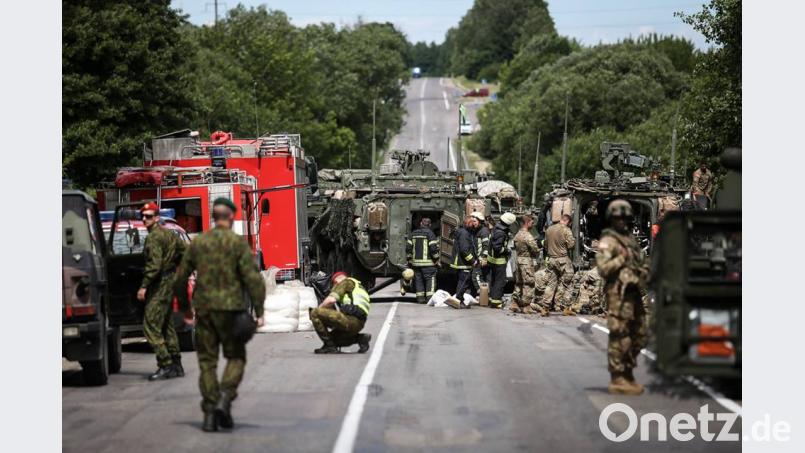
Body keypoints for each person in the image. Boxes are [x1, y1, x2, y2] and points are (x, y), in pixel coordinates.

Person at [173, 197, 266, 432]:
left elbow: (180, 278)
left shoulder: (199, 243)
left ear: (214, 217)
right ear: (232, 217)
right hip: (232, 312)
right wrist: (260, 310)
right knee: (236, 357)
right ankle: (225, 398)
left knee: (207, 363)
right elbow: (253, 279)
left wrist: (185, 309)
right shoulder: (237, 244)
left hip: (204, 312)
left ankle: (210, 414)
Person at [596, 199, 649, 395]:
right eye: (618, 218)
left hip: (635, 291)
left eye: (625, 218)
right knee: (620, 334)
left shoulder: (630, 240)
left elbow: (642, 262)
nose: (622, 221)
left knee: (641, 334)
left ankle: (628, 371)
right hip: (618, 293)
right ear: (612, 219)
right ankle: (618, 376)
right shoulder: (608, 241)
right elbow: (603, 268)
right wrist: (621, 258)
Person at [137, 202, 186, 381]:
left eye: (148, 216)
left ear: (156, 218)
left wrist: (144, 286)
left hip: (159, 285)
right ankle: (176, 364)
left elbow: (154, 265)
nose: (144, 219)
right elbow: (185, 252)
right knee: (167, 325)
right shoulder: (170, 234)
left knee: (150, 326)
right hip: (170, 282)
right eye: (142, 216)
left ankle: (165, 364)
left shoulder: (154, 237)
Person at [310, 271, 372, 353]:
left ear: (336, 282)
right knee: (333, 339)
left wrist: (318, 310)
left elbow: (331, 300)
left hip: (350, 319)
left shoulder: (345, 282)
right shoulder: (358, 286)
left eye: (334, 284)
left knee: (314, 312)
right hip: (359, 323)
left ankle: (329, 346)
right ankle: (360, 338)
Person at [539, 214, 576, 316]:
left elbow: (545, 245)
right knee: (568, 283)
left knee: (551, 284)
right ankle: (566, 308)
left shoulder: (549, 229)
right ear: (568, 221)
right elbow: (571, 245)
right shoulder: (566, 230)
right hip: (563, 260)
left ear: (561, 219)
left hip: (551, 260)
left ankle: (545, 307)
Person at [406, 217, 440, 304]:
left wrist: (409, 259)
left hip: (416, 264)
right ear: (430, 225)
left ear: (421, 223)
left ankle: (420, 299)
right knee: (430, 280)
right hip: (429, 264)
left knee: (418, 280)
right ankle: (430, 299)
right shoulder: (430, 234)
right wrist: (436, 259)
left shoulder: (413, 233)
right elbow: (433, 249)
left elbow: (408, 248)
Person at [511, 215, 540, 314]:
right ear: (527, 223)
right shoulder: (527, 236)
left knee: (519, 283)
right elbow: (535, 249)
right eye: (531, 222)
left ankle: (514, 303)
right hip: (527, 261)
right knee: (529, 283)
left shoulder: (518, 234)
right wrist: (536, 253)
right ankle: (526, 306)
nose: (532, 224)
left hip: (518, 260)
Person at [488, 212, 516, 309]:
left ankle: (492, 299)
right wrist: (507, 251)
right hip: (499, 260)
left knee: (494, 280)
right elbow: (497, 248)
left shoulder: (497, 228)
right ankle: (496, 302)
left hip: (493, 260)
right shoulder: (501, 232)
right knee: (500, 281)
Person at [450, 215, 479, 307]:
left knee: (462, 282)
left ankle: (460, 300)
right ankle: (458, 301)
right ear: (468, 223)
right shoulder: (464, 234)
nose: (474, 225)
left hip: (460, 263)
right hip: (463, 263)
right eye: (472, 223)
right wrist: (472, 261)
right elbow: (464, 250)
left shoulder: (462, 232)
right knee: (463, 282)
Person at [470, 211, 489, 295]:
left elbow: (486, 246)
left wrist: (483, 257)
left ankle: (483, 295)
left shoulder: (484, 231)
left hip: (481, 259)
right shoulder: (477, 230)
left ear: (480, 221)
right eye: (472, 221)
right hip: (477, 258)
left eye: (475, 221)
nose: (473, 223)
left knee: (476, 276)